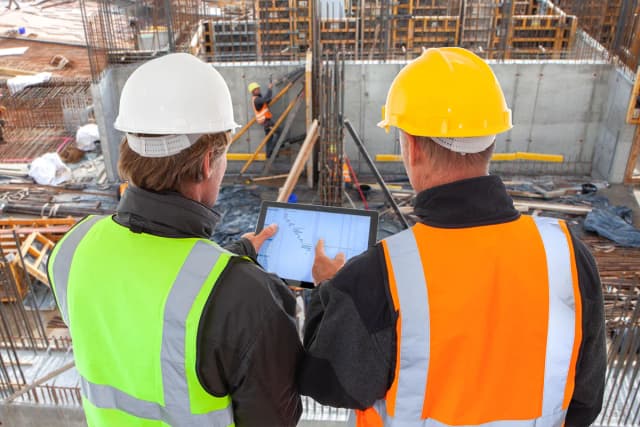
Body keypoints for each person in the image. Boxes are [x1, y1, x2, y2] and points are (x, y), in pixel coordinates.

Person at [299, 47, 606, 426]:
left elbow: (327, 381)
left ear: (411, 147)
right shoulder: (568, 256)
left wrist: (328, 288)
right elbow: (586, 401)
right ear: (492, 141)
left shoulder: (379, 276)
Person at [47, 53, 302, 427]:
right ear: (205, 164)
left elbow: (149, 302)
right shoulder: (249, 299)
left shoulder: (71, 248)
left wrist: (241, 253)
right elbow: (276, 418)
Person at [248, 81, 281, 158]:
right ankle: (272, 150)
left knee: (269, 137)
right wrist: (269, 88)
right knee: (279, 131)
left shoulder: (258, 98)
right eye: (256, 89)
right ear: (253, 91)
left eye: (258, 88)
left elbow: (266, 101)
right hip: (266, 121)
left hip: (265, 121)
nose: (259, 90)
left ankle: (269, 154)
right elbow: (265, 99)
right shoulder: (256, 99)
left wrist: (268, 99)